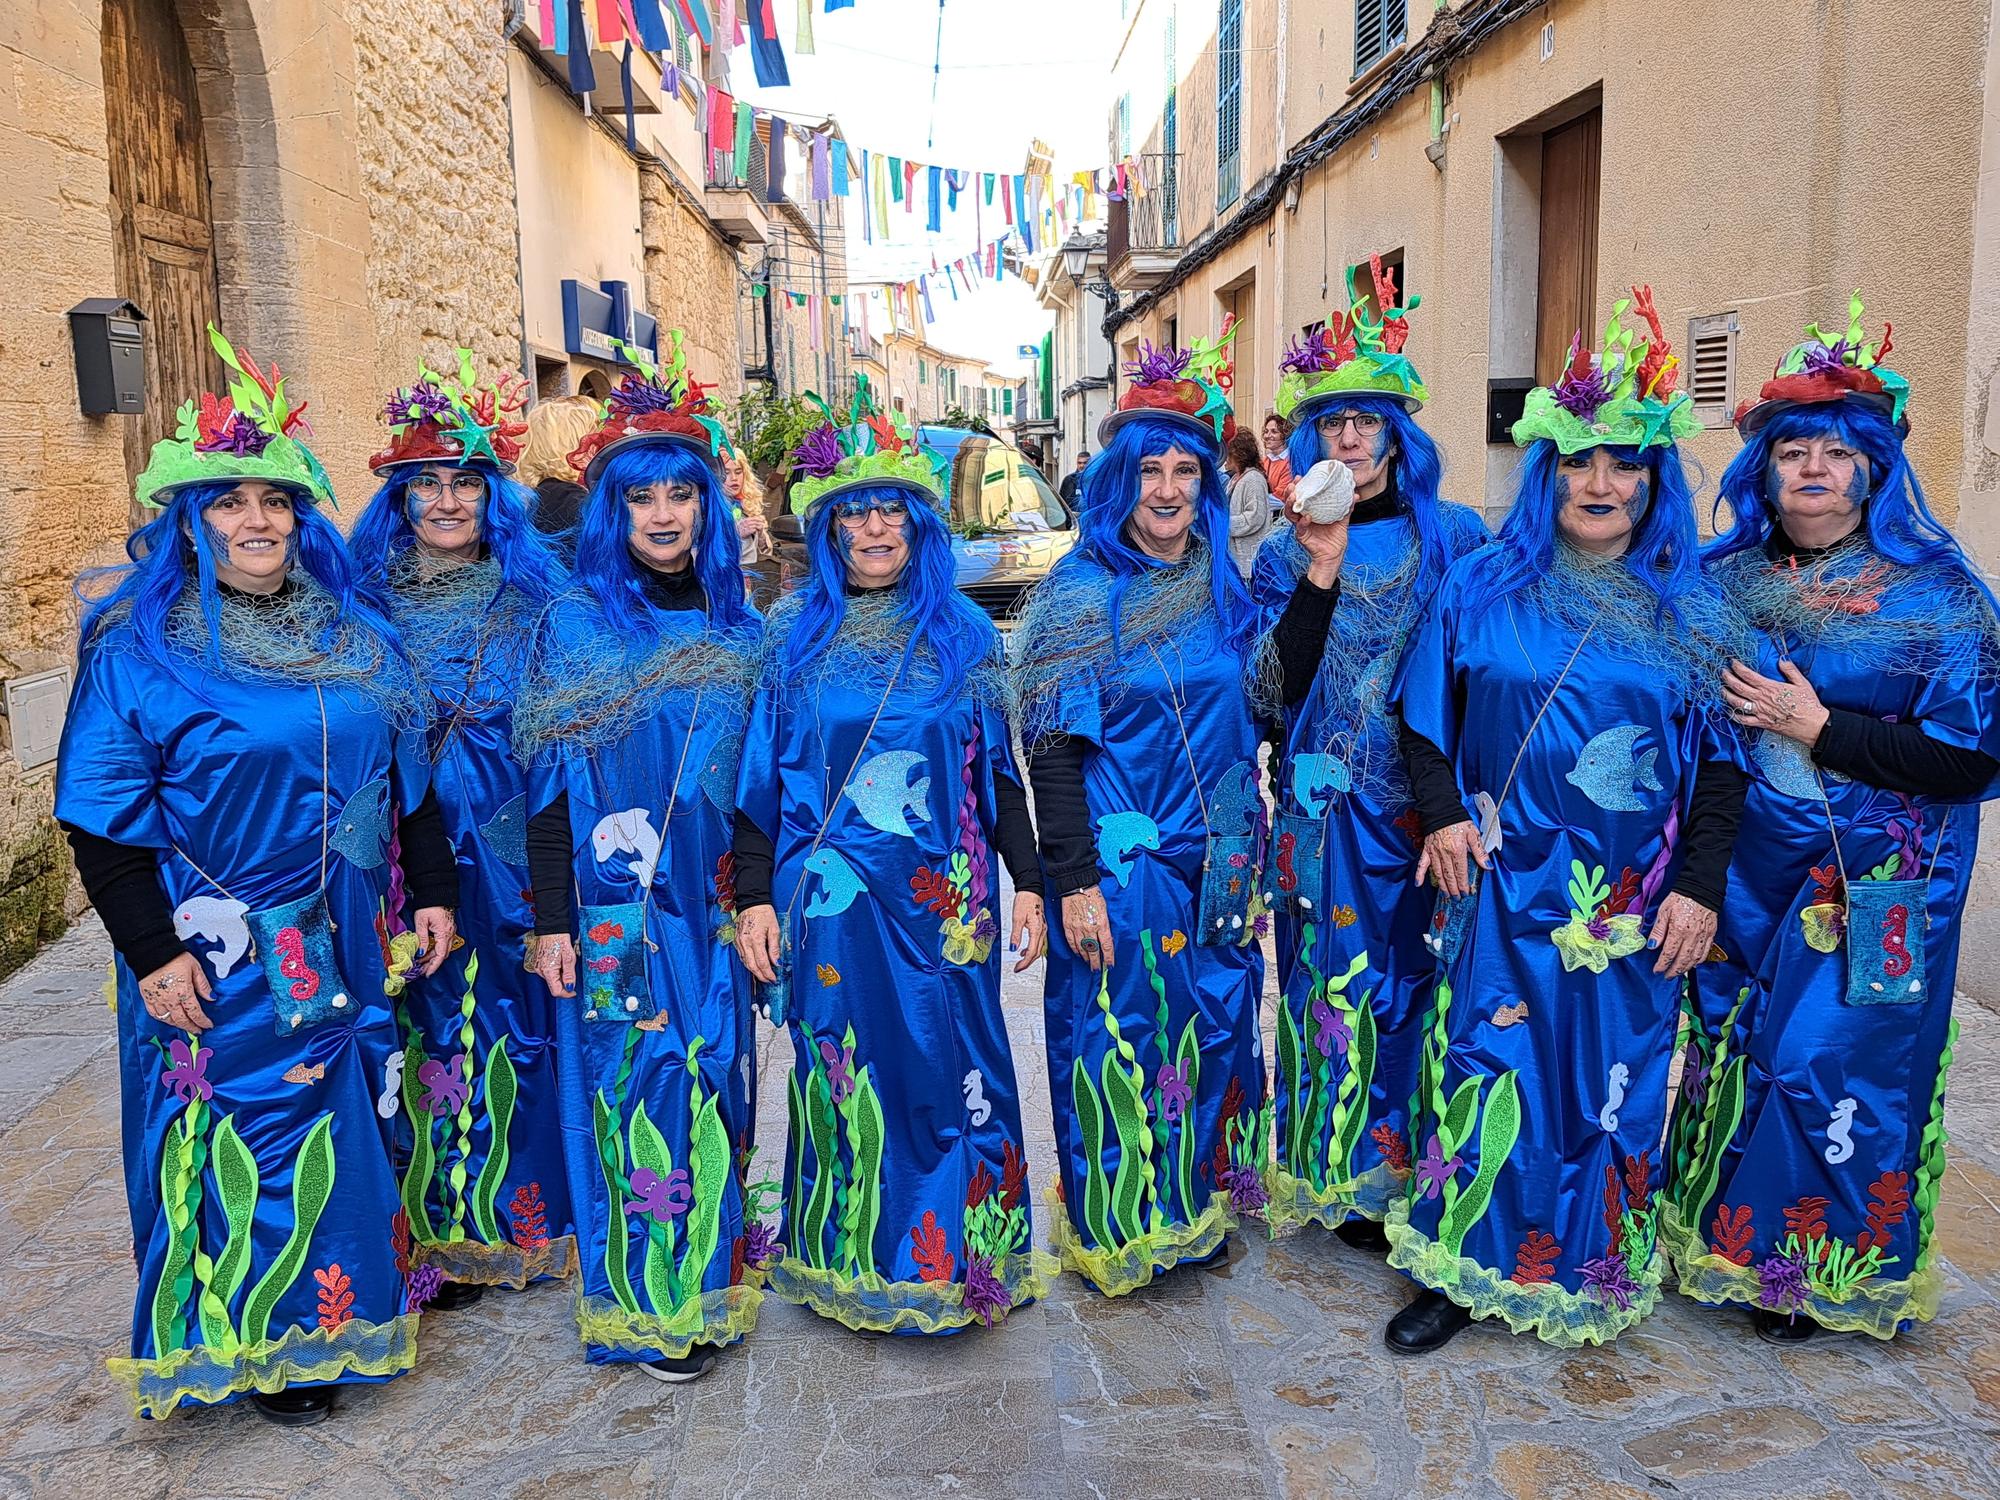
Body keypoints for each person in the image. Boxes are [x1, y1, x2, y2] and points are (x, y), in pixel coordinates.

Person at [56, 328, 457, 1424]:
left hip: (343, 936)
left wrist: (431, 892)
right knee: (246, 1133)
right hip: (217, 947)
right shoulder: (142, 650)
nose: (256, 522)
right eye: (229, 502)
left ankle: (329, 1325)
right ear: (190, 520)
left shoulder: (356, 633)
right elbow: (103, 822)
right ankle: (250, 1342)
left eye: (274, 502)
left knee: (342, 1123)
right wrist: (149, 953)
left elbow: (409, 784)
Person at [1386, 289, 1749, 1352]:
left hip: (1624, 897)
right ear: (1547, 474)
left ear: (1651, 483)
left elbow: (1726, 766)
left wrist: (1696, 886)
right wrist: (1442, 817)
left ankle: (1583, 1261)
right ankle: (1456, 1267)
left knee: (1606, 1083)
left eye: (1624, 465)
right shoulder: (1476, 586)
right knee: (1480, 1065)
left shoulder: (1693, 609)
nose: (1601, 483)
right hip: (1496, 882)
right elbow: (1421, 715)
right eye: (1581, 462)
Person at [1662, 296, 2000, 1343]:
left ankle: (1819, 1266)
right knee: (1738, 1053)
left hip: (1873, 887)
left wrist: (1821, 727)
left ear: (1872, 469)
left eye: (1833, 453)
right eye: (1789, 451)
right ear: (1759, 471)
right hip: (1745, 868)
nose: (1810, 469)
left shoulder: (1938, 598)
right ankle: (1726, 1245)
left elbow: (1972, 756)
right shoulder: (1717, 584)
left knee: (1828, 1067)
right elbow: (1689, 734)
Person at [1014, 326, 1341, 1295]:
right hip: (1125, 862)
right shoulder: (1080, 593)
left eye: (1183, 472)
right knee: (1119, 1033)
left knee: (1209, 1031)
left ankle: (1189, 1211)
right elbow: (1049, 748)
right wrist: (1071, 879)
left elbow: (1268, 695)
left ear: (1207, 483)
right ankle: (1120, 1230)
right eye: (1148, 470)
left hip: (1222, 856)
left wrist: (1318, 575)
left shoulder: (1213, 578)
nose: (1166, 490)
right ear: (1117, 482)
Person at [732, 393, 1055, 1334]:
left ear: (918, 525)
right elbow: (757, 783)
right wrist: (754, 898)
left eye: (891, 510)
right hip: (828, 907)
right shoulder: (789, 641)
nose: (874, 527)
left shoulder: (963, 637)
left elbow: (1000, 775)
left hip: (943, 905)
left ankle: (965, 1261)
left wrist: (1029, 879)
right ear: (828, 528)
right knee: (843, 1066)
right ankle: (851, 1257)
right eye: (855, 511)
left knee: (955, 1061)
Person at [517, 333, 766, 1383]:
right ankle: (647, 1304)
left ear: (706, 509)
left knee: (714, 1084)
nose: (662, 515)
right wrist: (552, 921)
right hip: (616, 915)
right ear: (612, 515)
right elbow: (544, 786)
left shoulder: (745, 628)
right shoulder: (570, 630)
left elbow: (764, 789)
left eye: (680, 494)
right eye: (640, 499)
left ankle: (706, 1282)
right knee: (636, 1085)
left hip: (710, 912)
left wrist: (753, 901)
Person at [1255, 269, 1490, 1250]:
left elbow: (1486, 679)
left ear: (1399, 433)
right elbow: (1266, 695)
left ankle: (1423, 1170)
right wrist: (1317, 568)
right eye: (1332, 422)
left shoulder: (1460, 540)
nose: (1349, 438)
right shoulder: (1280, 552)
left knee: (1431, 985)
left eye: (1367, 419)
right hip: (1327, 817)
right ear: (1312, 439)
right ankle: (1346, 1175)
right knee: (1334, 989)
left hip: (1431, 811)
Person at [350, 356, 575, 1308]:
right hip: (404, 850)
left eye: (464, 483)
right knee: (419, 1026)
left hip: (510, 842)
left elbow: (567, 730)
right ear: (399, 500)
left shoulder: (540, 601)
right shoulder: (359, 604)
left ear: (494, 497)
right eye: (427, 484)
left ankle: (518, 1218)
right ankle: (430, 1230)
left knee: (518, 1024)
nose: (446, 501)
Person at [516, 392, 599, 551]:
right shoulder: (571, 501)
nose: (600, 446)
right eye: (593, 439)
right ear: (573, 445)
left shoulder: (543, 493)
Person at [1222, 430, 1273, 578]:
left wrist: (1224, 524)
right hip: (1235, 558)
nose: (1224, 457)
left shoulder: (1253, 479)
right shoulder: (1234, 479)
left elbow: (1255, 517)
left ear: (1238, 453)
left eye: (1227, 451)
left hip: (1248, 562)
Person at [1261, 412, 1296, 507]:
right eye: (1266, 431)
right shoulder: (1266, 460)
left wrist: (1254, 500)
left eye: (1274, 432)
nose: (1267, 436)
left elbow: (1281, 499)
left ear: (1285, 434)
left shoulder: (1290, 462)